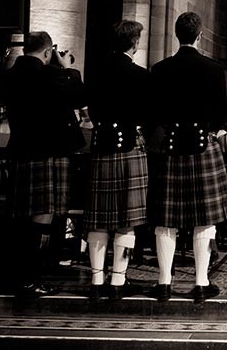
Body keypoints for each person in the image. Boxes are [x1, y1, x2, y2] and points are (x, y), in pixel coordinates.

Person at [147, 12, 227, 303]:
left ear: (177, 35)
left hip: (170, 147)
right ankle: (200, 282)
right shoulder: (213, 69)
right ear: (199, 35)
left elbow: (154, 113)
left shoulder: (159, 69)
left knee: (165, 219)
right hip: (202, 146)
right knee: (204, 221)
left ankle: (163, 284)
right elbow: (222, 114)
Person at [1, 31, 85, 298]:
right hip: (49, 153)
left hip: (22, 152)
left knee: (23, 218)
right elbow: (78, 96)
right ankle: (31, 279)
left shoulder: (10, 75)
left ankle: (21, 276)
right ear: (48, 52)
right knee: (43, 218)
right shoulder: (52, 75)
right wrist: (69, 68)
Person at [83, 21, 150, 301]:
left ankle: (97, 280)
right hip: (129, 147)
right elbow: (147, 113)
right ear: (134, 43)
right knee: (127, 219)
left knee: (99, 219)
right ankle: (118, 280)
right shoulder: (140, 76)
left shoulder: (96, 73)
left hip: (101, 146)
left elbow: (89, 108)